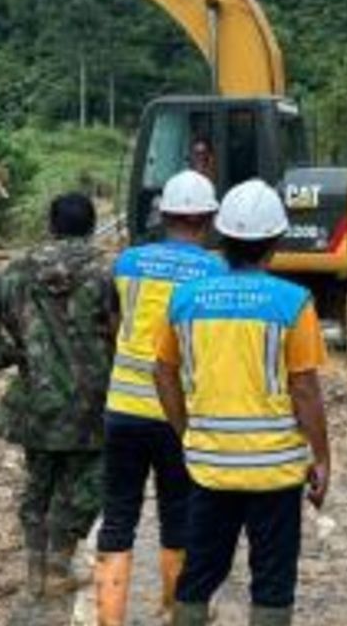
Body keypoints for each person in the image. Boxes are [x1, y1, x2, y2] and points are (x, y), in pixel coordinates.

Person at [153, 180, 332, 626]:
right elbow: (304, 389)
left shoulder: (185, 299)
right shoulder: (294, 303)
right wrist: (323, 458)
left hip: (210, 465)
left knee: (198, 576)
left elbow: (162, 371)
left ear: (223, 236)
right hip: (274, 471)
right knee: (272, 583)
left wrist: (185, 431)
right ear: (274, 243)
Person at [0, 193, 118, 608]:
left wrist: (0, 355)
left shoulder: (17, 271)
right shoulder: (107, 273)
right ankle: (59, 564)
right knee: (88, 482)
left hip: (38, 398)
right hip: (92, 402)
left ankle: (34, 571)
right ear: (90, 225)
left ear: (51, 225)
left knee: (39, 482)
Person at [95, 171, 227, 625]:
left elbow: (113, 323)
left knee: (117, 519)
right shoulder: (215, 271)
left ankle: (109, 620)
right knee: (178, 516)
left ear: (163, 213)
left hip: (122, 410)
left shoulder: (128, 262)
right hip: (178, 415)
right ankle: (174, 610)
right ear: (208, 218)